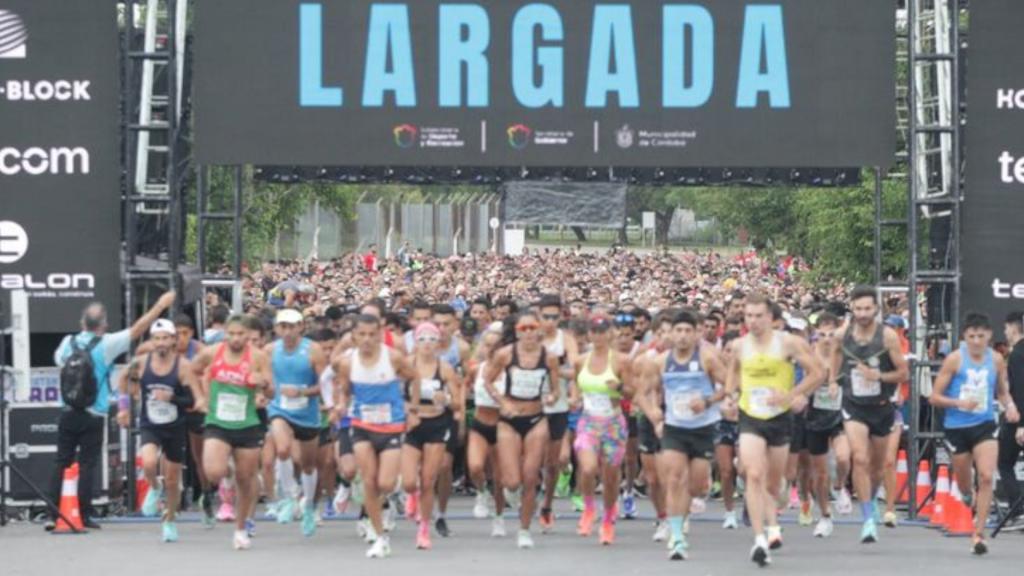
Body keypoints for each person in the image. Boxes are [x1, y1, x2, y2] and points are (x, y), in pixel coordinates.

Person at [48, 291, 176, 531]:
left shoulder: (67, 343)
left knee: (61, 460)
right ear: (104, 325)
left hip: (66, 411)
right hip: (94, 413)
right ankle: (83, 515)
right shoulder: (106, 344)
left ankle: (53, 512)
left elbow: (59, 362)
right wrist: (160, 305)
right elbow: (138, 329)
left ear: (82, 323)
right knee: (87, 464)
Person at [725, 293, 824, 566]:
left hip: (780, 418)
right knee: (753, 473)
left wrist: (791, 395)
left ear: (771, 318)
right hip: (750, 416)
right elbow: (731, 378)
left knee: (774, 483)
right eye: (749, 316)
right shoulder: (739, 346)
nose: (754, 321)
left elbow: (818, 373)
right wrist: (731, 398)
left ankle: (773, 523)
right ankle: (759, 539)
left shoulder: (789, 343)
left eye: (759, 316)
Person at [638, 310, 728, 560]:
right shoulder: (659, 361)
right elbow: (642, 393)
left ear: (696, 333)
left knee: (696, 485)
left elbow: (729, 384)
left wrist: (709, 401)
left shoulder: (707, 358)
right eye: (678, 331)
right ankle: (677, 537)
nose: (682, 336)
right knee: (674, 478)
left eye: (688, 331)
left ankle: (683, 519)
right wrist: (654, 413)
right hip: (674, 428)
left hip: (702, 428)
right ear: (671, 334)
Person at [930, 312, 1020, 555]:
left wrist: (1010, 407)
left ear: (989, 336)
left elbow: (1002, 391)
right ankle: (967, 495)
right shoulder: (954, 360)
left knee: (987, 476)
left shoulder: (997, 359)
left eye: (981, 336)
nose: (977, 341)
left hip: (984, 424)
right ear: (964, 337)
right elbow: (934, 397)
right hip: (957, 426)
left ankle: (979, 534)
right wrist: (959, 403)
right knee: (965, 481)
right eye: (972, 336)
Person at [831, 286, 910, 544]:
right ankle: (866, 518)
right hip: (854, 405)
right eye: (858, 309)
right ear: (851, 309)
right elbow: (834, 356)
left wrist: (879, 376)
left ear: (876, 309)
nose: (863, 313)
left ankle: (872, 497)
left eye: (867, 308)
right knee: (860, 458)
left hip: (882, 405)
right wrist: (833, 380)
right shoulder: (843, 334)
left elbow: (903, 373)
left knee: (877, 467)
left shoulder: (887, 337)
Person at [334, 314, 417, 559]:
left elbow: (414, 377)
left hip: (391, 426)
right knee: (369, 481)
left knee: (385, 483)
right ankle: (380, 536)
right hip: (362, 425)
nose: (367, 340)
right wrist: (341, 404)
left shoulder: (392, 357)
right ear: (354, 336)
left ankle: (396, 487)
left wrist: (411, 408)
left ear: (380, 334)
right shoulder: (348, 363)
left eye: (372, 334)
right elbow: (345, 390)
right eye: (362, 334)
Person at [191, 314, 274, 550]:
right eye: (232, 334)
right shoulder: (213, 352)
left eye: (241, 334)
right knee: (213, 471)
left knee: (245, 479)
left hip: (247, 423)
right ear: (225, 333)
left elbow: (271, 392)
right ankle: (225, 470)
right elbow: (190, 370)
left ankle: (240, 528)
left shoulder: (258, 357)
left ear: (248, 336)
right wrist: (200, 397)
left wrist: (263, 384)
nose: (236, 339)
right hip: (218, 421)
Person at [483, 311, 561, 549]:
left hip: (536, 418)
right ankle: (512, 494)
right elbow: (488, 380)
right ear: (517, 331)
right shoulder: (505, 355)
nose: (528, 333)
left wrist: (551, 397)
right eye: (523, 329)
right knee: (512, 480)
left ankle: (524, 529)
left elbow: (556, 388)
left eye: (532, 328)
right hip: (509, 419)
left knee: (530, 476)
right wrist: (502, 402)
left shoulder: (549, 358)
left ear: (538, 331)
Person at [116, 319, 200, 542]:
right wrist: (123, 408)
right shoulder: (141, 363)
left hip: (175, 426)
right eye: (156, 339)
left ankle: (170, 520)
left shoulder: (183, 366)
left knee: (173, 481)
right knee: (149, 462)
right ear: (151, 342)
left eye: (165, 338)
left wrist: (171, 397)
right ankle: (154, 486)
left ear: (173, 340)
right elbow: (122, 380)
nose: (161, 343)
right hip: (150, 423)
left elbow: (191, 399)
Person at [569, 315, 633, 546]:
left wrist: (620, 388)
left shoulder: (621, 361)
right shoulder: (580, 360)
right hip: (588, 421)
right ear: (589, 334)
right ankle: (588, 508)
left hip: (613, 423)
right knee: (587, 468)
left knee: (611, 475)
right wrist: (574, 398)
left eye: (602, 331)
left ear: (610, 334)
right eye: (594, 331)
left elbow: (632, 392)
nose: (598, 336)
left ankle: (607, 520)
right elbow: (576, 384)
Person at [266, 309, 328, 536]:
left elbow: (324, 385)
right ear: (276, 328)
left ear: (301, 327)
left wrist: (303, 392)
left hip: (307, 413)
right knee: (282, 449)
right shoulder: (270, 351)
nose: (288, 331)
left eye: (292, 326)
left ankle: (309, 505)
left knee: (309, 464)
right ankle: (289, 497)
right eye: (283, 326)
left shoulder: (313, 350)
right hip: (280, 408)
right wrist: (265, 390)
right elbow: (263, 379)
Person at [400, 322, 461, 549]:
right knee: (408, 482)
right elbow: (393, 394)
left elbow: (457, 402)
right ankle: (411, 495)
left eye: (431, 339)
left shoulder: (444, 368)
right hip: (412, 424)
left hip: (436, 423)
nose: (427, 344)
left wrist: (444, 399)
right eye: (422, 339)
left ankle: (424, 528)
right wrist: (408, 410)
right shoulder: (406, 364)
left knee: (428, 480)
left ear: (439, 343)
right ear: (415, 342)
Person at [804, 313, 851, 538]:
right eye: (822, 334)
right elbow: (804, 385)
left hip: (838, 414)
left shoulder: (842, 354)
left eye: (831, 334)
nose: (826, 339)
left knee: (843, 457)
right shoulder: (810, 357)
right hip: (815, 416)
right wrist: (819, 382)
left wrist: (835, 381)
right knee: (820, 474)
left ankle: (841, 486)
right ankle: (824, 515)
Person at [538, 295, 579, 533]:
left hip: (558, 405)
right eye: (546, 317)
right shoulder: (531, 337)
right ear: (538, 316)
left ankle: (547, 505)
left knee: (552, 463)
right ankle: (528, 495)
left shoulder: (567, 340)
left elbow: (574, 368)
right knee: (532, 459)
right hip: (532, 405)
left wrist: (555, 371)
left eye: (555, 317)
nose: (550, 321)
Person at [431, 304, 470, 538]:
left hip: (449, 411)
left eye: (446, 324)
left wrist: (461, 414)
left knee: (444, 466)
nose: (442, 329)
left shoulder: (461, 349)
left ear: (455, 325)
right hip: (423, 411)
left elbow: (463, 384)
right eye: (437, 324)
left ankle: (441, 514)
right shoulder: (421, 348)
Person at [467, 323, 508, 536]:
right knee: (475, 467)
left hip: (503, 427)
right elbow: (461, 389)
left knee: (500, 478)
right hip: (480, 423)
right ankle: (481, 492)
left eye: (496, 345)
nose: (491, 349)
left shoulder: (510, 371)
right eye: (487, 345)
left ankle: (499, 517)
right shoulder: (476, 370)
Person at [997, 311, 1024, 523]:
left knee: (1004, 463)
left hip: (1017, 418)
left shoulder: (1017, 354)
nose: (1005, 332)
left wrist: (1021, 424)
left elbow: (1021, 389)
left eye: (1006, 328)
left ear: (1014, 328)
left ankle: (1018, 509)